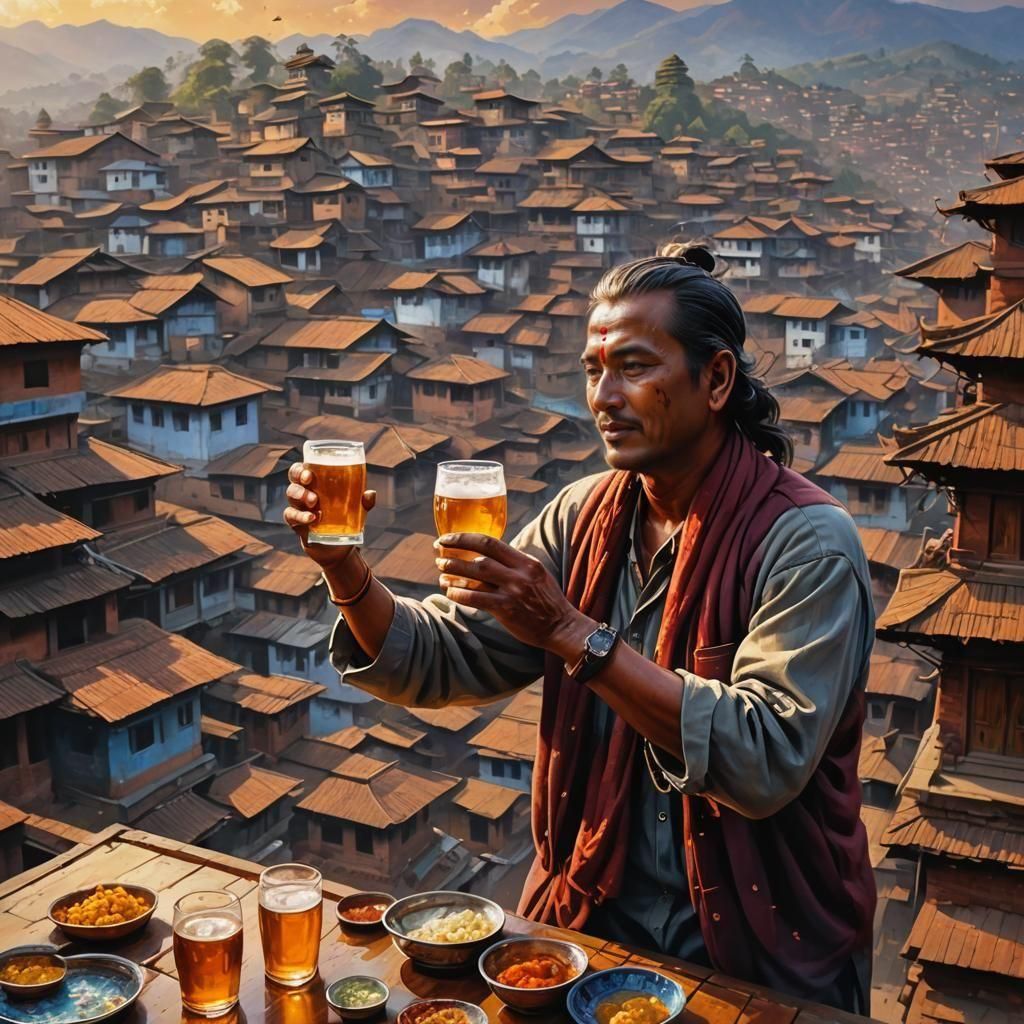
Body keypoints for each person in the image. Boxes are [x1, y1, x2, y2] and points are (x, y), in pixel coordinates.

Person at [285, 246, 876, 1012]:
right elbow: (452, 655)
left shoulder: (806, 543)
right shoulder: (584, 516)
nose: (605, 396)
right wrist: (345, 570)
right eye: (594, 371)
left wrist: (573, 635)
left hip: (757, 949)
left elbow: (764, 757)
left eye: (633, 367)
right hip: (591, 926)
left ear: (716, 379)